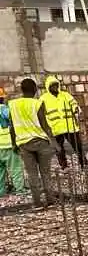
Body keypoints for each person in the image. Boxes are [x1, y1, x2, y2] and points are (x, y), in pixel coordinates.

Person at [8, 78, 56, 209]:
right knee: (45, 173)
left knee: (32, 174)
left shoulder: (13, 104)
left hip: (24, 143)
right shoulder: (37, 103)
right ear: (35, 89)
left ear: (21, 89)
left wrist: (14, 144)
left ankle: (37, 203)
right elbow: (44, 125)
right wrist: (54, 142)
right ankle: (50, 201)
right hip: (41, 142)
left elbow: (11, 127)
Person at [41, 76, 86, 169]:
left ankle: (83, 163)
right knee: (59, 149)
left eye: (56, 85)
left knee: (78, 146)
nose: (55, 87)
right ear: (48, 87)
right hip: (55, 128)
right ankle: (64, 166)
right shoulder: (43, 98)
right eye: (52, 85)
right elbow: (41, 113)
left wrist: (76, 109)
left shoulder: (65, 95)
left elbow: (74, 103)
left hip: (70, 126)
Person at [0, 88, 25, 196]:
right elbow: (12, 118)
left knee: (0, 171)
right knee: (16, 168)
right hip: (7, 144)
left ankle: (1, 191)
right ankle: (20, 189)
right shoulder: (4, 109)